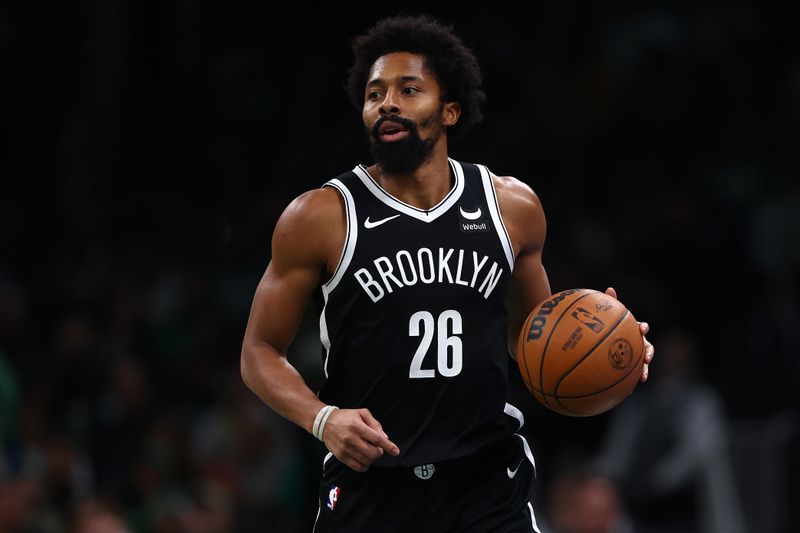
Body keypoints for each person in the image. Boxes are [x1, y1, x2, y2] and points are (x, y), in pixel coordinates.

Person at [240, 14, 654, 532]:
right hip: (373, 483)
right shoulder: (320, 216)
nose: (386, 103)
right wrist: (323, 419)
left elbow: (534, 343)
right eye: (374, 94)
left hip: (484, 481)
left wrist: (610, 341)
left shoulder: (512, 207)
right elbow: (258, 352)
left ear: (450, 110)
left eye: (408, 90)